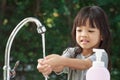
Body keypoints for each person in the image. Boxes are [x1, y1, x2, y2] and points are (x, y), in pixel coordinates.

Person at [37, 5, 111, 80]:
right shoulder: (72, 52)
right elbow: (60, 66)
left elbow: (86, 64)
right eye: (79, 30)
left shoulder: (101, 55)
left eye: (90, 31)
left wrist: (60, 60)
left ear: (102, 35)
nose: (84, 35)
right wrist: (48, 65)